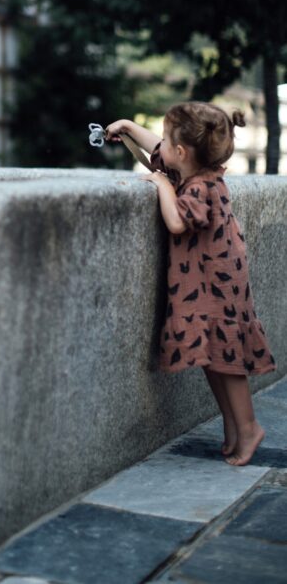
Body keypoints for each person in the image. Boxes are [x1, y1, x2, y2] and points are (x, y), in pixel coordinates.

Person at [105, 102, 275, 467]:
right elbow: (158, 153)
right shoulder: (200, 171)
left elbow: (178, 222)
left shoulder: (197, 186)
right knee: (214, 357)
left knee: (227, 361)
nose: (160, 146)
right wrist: (129, 127)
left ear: (181, 153)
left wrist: (161, 185)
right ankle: (233, 428)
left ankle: (248, 427)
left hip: (217, 286)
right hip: (215, 279)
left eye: (167, 140)